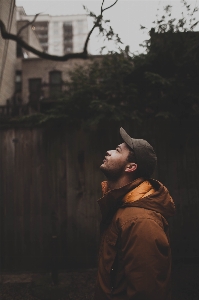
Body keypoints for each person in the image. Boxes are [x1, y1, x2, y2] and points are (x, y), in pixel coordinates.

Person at [94, 127, 175, 300]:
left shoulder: (141, 221)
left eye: (117, 150)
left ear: (131, 167)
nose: (108, 152)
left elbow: (147, 292)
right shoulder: (121, 210)